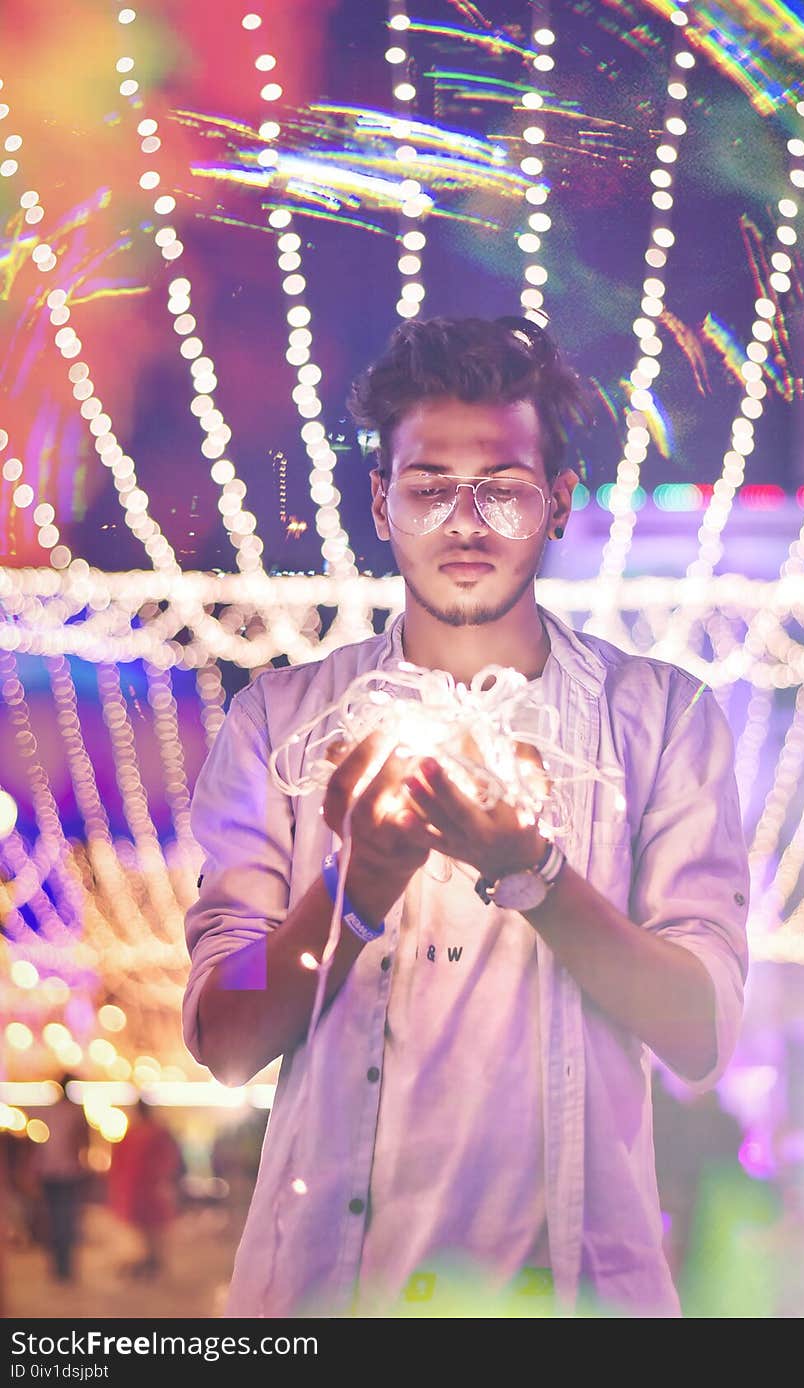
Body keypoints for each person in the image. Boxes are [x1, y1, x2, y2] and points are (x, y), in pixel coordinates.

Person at [183, 315, 749, 1317]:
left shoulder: (661, 719)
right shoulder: (280, 723)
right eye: (429, 487)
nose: (465, 521)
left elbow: (699, 1028)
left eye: (503, 487)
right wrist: (354, 888)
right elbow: (226, 1036)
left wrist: (532, 873)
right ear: (381, 503)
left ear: (560, 503)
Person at [107, 1100, 182, 1278]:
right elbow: (170, 1160)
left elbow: (117, 1163)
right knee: (153, 1229)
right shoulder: (157, 1132)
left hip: (136, 1188)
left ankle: (150, 1260)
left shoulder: (132, 1134)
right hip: (149, 1187)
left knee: (146, 1228)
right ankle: (152, 1260)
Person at [33, 1073, 89, 1282]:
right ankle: (63, 1267)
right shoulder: (75, 1112)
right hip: (67, 1173)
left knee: (56, 1220)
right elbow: (83, 1142)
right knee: (66, 1220)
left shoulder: (50, 1111)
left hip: (52, 1173)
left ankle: (59, 1267)